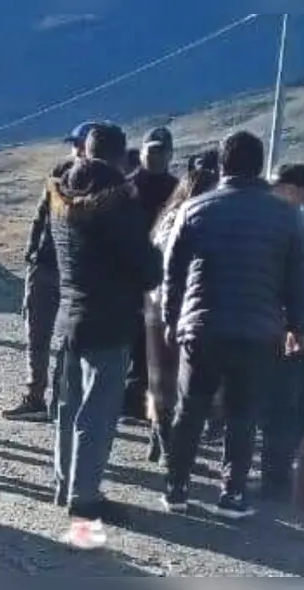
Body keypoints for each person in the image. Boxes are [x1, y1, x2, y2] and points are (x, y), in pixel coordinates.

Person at [161, 131, 304, 518]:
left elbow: (173, 271)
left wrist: (170, 319)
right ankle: (233, 494)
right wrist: (297, 324)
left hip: (202, 325)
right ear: (260, 166)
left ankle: (177, 487)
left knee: (190, 409)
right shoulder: (286, 216)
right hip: (259, 330)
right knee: (243, 414)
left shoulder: (195, 208)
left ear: (223, 165)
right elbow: (299, 276)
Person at [47, 123, 162, 527]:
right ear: (119, 156)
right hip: (109, 318)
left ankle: (64, 484)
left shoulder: (59, 197)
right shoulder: (118, 204)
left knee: (68, 406)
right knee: (98, 410)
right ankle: (86, 495)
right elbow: (146, 268)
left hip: (69, 313)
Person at [4, 121, 101, 422]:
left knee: (73, 336)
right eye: (74, 143)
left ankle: (64, 398)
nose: (76, 148)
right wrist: (32, 252)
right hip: (45, 265)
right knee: (37, 330)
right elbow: (41, 215)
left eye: (81, 142)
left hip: (78, 271)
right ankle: (35, 395)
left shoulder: (105, 181)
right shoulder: (59, 172)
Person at [144, 167, 218, 464]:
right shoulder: (200, 219)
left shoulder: (168, 218)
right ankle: (171, 448)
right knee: (182, 382)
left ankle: (158, 440)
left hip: (157, 302)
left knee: (160, 379)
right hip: (185, 306)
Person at [261, 163, 304, 501]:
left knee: (283, 400)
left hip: (295, 321)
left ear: (293, 188)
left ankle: (276, 477)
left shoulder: (294, 218)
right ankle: (301, 479)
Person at [122, 127, 179, 423]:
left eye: (161, 151)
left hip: (161, 277)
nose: (155, 156)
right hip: (127, 275)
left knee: (154, 342)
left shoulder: (177, 190)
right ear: (142, 152)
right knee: (126, 338)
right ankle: (127, 400)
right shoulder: (126, 188)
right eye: (151, 151)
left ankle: (145, 401)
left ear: (170, 154)